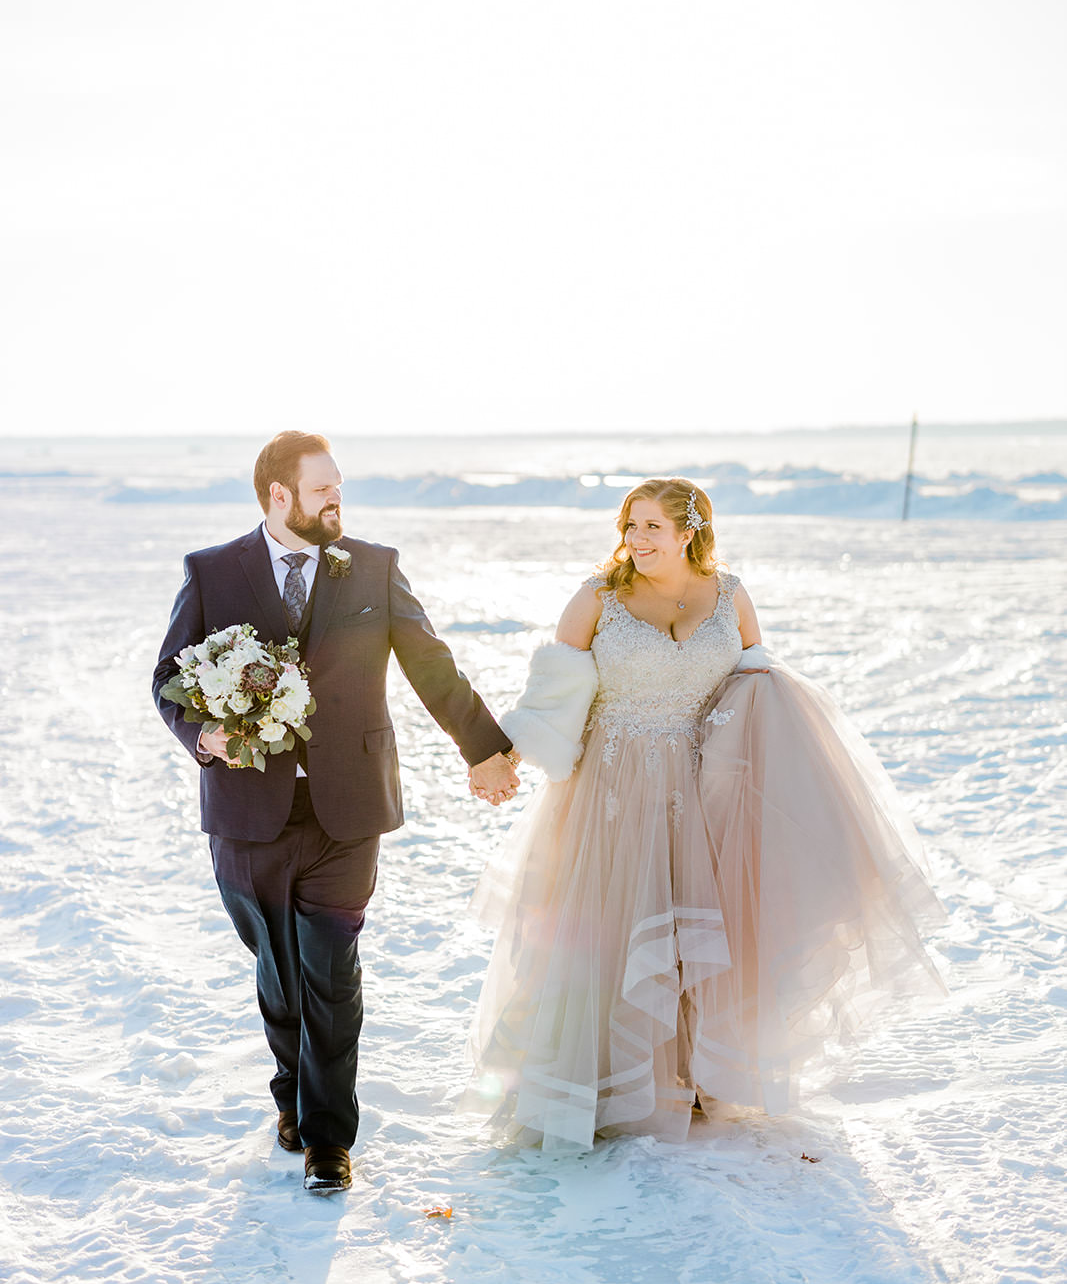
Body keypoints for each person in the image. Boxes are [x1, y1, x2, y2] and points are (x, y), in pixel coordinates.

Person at [465, 477, 945, 1151]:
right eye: (629, 525)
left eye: (651, 527)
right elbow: (553, 694)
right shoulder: (597, 597)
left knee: (701, 931)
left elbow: (758, 688)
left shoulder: (731, 595)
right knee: (607, 931)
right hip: (612, 789)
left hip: (704, 786)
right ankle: (600, 1084)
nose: (635, 540)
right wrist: (506, 757)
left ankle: (689, 1078)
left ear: (688, 532)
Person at [153, 431, 519, 1193]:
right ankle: (290, 1090)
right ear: (278, 495)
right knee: (278, 971)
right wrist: (203, 735)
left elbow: (430, 665)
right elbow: (168, 676)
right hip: (246, 810)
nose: (336, 499)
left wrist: (484, 748)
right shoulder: (212, 572)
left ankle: (327, 1137)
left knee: (330, 968)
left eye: (338, 486)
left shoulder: (373, 567)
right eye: (322, 489)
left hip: (346, 810)